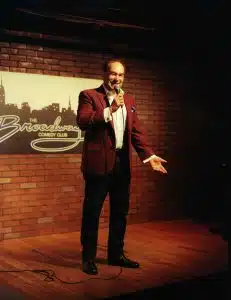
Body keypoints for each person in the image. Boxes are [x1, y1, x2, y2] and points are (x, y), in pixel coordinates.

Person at [76, 59, 167, 275]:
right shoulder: (89, 95)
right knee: (92, 213)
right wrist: (110, 109)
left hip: (121, 165)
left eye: (121, 75)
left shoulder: (129, 99)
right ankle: (88, 259)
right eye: (113, 74)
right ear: (105, 73)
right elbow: (82, 120)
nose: (117, 78)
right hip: (98, 166)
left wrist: (149, 155)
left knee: (120, 212)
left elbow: (135, 131)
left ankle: (115, 254)